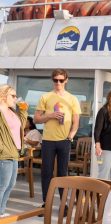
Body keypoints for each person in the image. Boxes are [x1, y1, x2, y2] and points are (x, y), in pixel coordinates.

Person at [34, 69, 81, 206]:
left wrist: (71, 136)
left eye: (61, 80)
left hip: (64, 141)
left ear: (66, 80)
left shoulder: (72, 99)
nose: (58, 83)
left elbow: (76, 121)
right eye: (55, 80)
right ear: (52, 80)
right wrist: (49, 116)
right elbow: (36, 119)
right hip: (48, 140)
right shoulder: (45, 97)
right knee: (46, 173)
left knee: (63, 173)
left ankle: (64, 203)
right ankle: (46, 203)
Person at [0, 85, 28, 224]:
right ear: (4, 96)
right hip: (4, 154)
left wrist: (23, 109)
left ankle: (1, 212)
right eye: (13, 96)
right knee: (2, 186)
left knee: (10, 185)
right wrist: (2, 148)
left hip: (15, 153)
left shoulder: (12, 112)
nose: (16, 98)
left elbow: (21, 126)